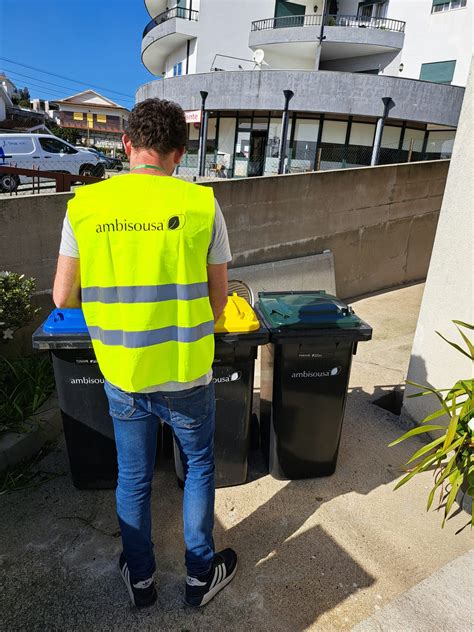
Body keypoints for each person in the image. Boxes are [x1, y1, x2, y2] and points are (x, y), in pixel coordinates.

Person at [53, 98, 237, 609]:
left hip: (125, 373)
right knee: (198, 466)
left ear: (128, 144)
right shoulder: (201, 204)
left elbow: (63, 296)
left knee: (132, 476)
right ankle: (201, 577)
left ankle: (140, 579)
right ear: (179, 153)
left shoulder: (84, 206)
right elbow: (219, 299)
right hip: (187, 373)